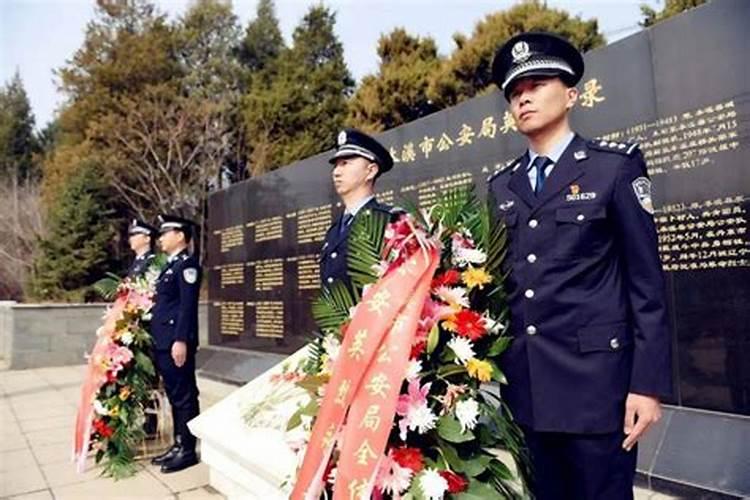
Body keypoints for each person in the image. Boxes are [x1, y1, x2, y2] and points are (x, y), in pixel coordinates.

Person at [487, 32, 672, 500]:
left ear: (571, 94)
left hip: (598, 391)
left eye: (537, 82)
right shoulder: (502, 187)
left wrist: (646, 387)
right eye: (514, 91)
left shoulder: (613, 168)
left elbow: (646, 286)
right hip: (528, 393)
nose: (523, 96)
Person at [149, 214, 202, 473]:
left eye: (165, 232)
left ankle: (188, 449)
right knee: (173, 394)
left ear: (180, 235)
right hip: (163, 342)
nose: (160, 238)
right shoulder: (169, 266)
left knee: (183, 396)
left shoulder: (187, 266)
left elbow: (187, 307)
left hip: (175, 342)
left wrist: (180, 339)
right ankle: (178, 443)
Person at [320, 128, 395, 289]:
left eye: (345, 163)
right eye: (336, 165)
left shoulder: (389, 220)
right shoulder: (334, 231)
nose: (336, 172)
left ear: (371, 171)